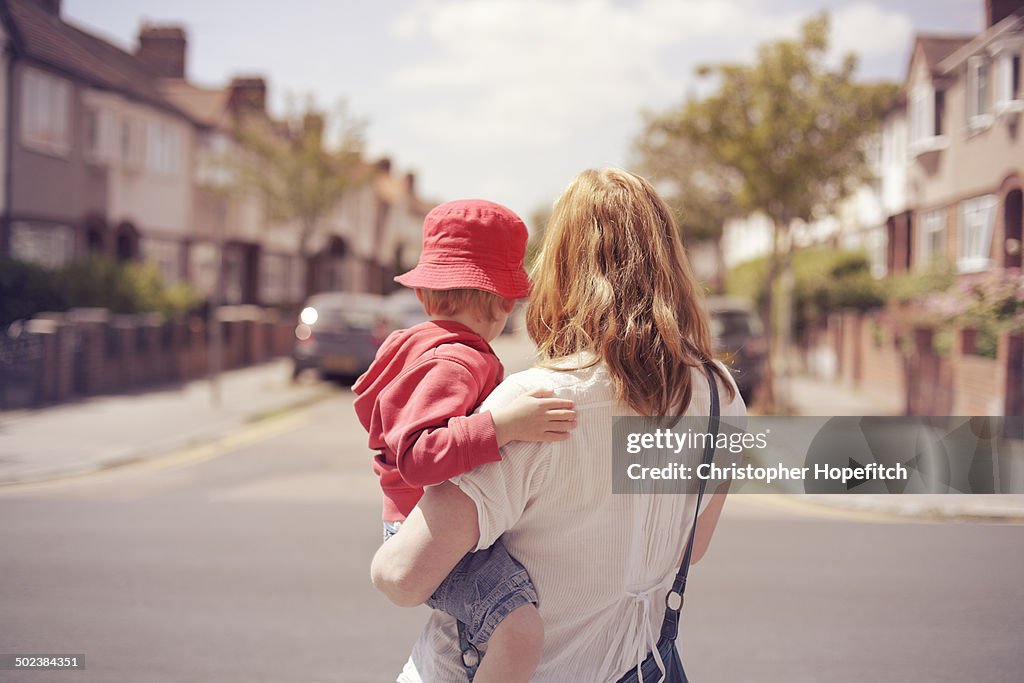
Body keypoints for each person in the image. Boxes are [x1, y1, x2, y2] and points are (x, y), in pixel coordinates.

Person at [371, 168, 746, 682]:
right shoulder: (719, 396)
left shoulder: (536, 406)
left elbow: (403, 576)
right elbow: (689, 546)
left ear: (561, 267)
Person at [353, 199, 577, 683]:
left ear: (426, 296)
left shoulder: (426, 347)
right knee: (519, 630)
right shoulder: (457, 361)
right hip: (425, 533)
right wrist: (505, 425)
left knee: (499, 619)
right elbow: (418, 455)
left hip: (422, 526)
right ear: (503, 304)